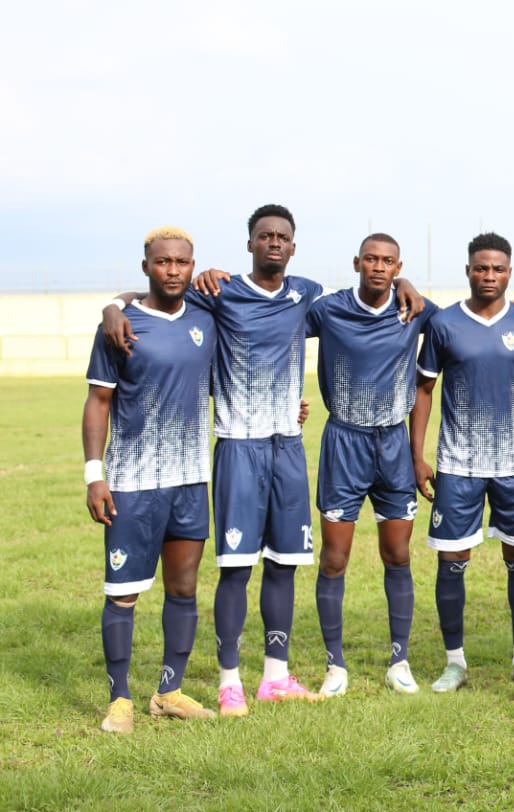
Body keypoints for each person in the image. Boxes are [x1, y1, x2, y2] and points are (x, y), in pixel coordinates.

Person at [100, 204, 425, 716]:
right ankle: (229, 682)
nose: (274, 242)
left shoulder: (307, 295)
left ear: (293, 248)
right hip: (238, 446)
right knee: (236, 567)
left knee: (285, 563)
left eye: (282, 236)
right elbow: (156, 297)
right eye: (265, 235)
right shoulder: (219, 292)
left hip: (288, 447)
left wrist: (403, 281)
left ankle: (275, 676)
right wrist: (112, 306)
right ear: (250, 243)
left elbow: (367, 293)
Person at [84, 226, 216, 733]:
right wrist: (95, 476)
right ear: (147, 268)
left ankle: (168, 691)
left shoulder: (205, 319)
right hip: (133, 482)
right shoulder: (120, 325)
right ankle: (119, 700)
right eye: (163, 262)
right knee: (124, 593)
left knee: (183, 589)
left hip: (190, 479)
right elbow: (98, 401)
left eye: (181, 262)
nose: (173, 270)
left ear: (192, 265)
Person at [410, 232, 514, 692]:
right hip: (458, 465)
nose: (489, 275)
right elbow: (424, 389)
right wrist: (417, 455)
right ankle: (454, 663)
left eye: (498, 269)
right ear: (468, 270)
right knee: (452, 561)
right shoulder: (445, 323)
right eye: (481, 268)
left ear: (510, 273)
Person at [308, 233, 437, 698]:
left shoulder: (413, 310)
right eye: (371, 259)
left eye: (388, 262)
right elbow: (273, 325)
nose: (379, 267)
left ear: (398, 266)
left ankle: (399, 661)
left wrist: (410, 286)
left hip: (394, 445)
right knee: (335, 558)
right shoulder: (329, 309)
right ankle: (335, 665)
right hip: (344, 440)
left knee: (398, 554)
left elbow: (464, 325)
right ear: (357, 263)